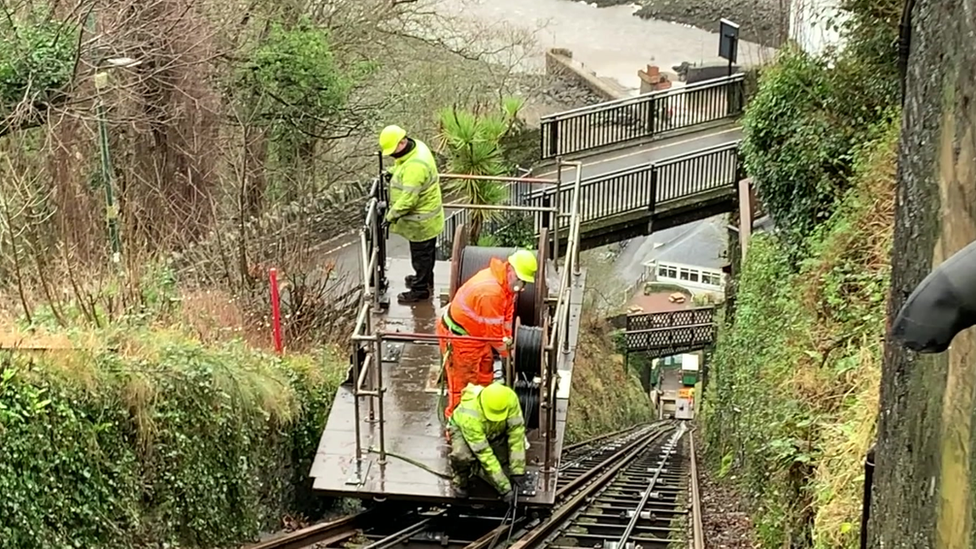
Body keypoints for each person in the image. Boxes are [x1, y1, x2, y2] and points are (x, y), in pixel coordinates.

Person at [437, 250, 538, 419]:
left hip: (476, 337)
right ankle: (457, 430)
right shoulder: (491, 293)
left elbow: (505, 319)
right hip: (460, 340)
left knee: (485, 376)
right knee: (464, 388)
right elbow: (492, 334)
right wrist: (508, 353)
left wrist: (509, 341)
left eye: (525, 283)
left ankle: (482, 416)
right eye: (521, 281)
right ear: (511, 270)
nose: (522, 287)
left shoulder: (507, 287)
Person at [378, 125, 445, 303]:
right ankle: (423, 279)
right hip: (427, 217)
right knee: (426, 254)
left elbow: (408, 201)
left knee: (421, 256)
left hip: (421, 221)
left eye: (393, 151)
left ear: (402, 143)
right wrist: (392, 172)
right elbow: (403, 166)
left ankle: (420, 290)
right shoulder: (417, 147)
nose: (392, 155)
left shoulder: (415, 167)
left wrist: (389, 216)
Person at [448, 382, 527, 501]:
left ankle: (477, 468)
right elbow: (485, 454)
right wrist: (504, 488)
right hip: (464, 432)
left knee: (505, 469)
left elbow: (516, 434)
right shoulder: (470, 416)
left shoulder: (509, 399)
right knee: (462, 456)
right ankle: (460, 479)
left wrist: (518, 470)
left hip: (493, 432)